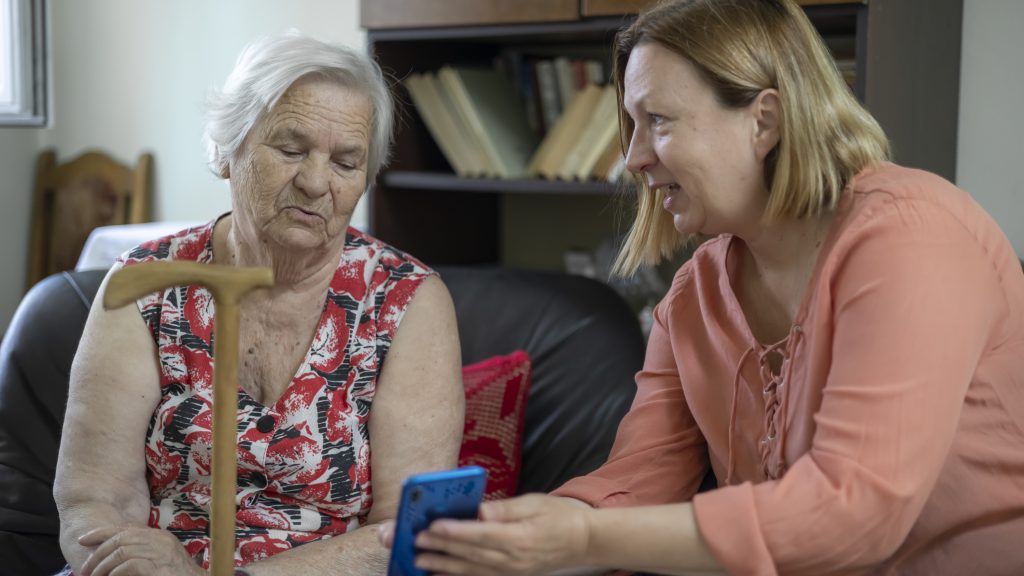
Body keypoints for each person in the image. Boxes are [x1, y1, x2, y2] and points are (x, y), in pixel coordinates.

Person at [385, 0, 1024, 574]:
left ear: (764, 120)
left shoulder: (911, 238)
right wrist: (512, 537)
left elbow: (854, 512)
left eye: (657, 120)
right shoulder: (694, 295)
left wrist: (582, 541)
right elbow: (640, 478)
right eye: (630, 126)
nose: (632, 158)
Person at [54, 31, 464, 576]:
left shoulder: (407, 300)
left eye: (346, 162)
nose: (317, 182)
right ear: (227, 151)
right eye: (290, 150)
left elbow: (404, 531)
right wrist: (130, 560)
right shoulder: (145, 286)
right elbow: (91, 498)